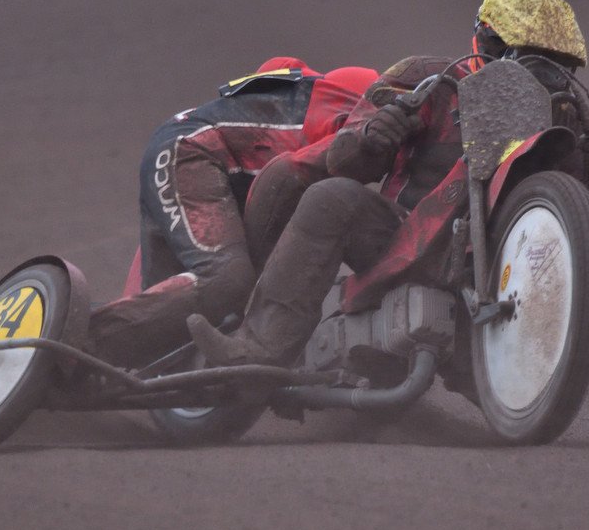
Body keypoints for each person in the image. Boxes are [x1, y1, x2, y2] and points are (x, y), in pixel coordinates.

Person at [187, 0, 589, 378]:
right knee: (332, 197)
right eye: (519, 55)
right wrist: (375, 133)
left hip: (511, 270)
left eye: (552, 62)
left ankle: (507, 372)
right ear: (484, 42)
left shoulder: (575, 117)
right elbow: (345, 160)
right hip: (402, 239)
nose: (538, 73)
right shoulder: (425, 77)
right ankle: (258, 348)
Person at [86, 58, 378, 367]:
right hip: (191, 152)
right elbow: (281, 179)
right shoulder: (348, 110)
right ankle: (78, 343)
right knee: (227, 279)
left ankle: (86, 361)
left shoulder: (287, 96)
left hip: (186, 155)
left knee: (159, 335)